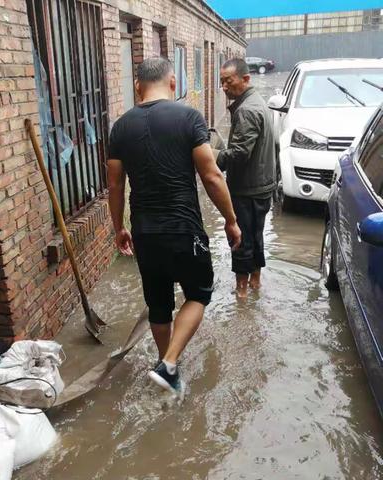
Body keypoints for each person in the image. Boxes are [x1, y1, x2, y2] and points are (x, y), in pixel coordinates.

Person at [107, 57, 241, 396]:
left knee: (159, 304)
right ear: (172, 82)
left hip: (144, 233)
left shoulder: (120, 128)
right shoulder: (189, 118)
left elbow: (115, 186)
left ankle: (168, 366)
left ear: (137, 86)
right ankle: (168, 364)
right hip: (184, 229)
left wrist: (118, 228)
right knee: (198, 294)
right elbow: (211, 175)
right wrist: (231, 220)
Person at [217, 58, 277, 299]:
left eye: (228, 81)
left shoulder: (246, 110)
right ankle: (255, 282)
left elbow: (240, 154)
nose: (223, 87)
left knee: (240, 236)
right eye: (221, 82)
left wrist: (213, 156)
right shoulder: (257, 103)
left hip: (247, 189)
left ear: (245, 78)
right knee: (256, 234)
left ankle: (241, 292)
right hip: (262, 186)